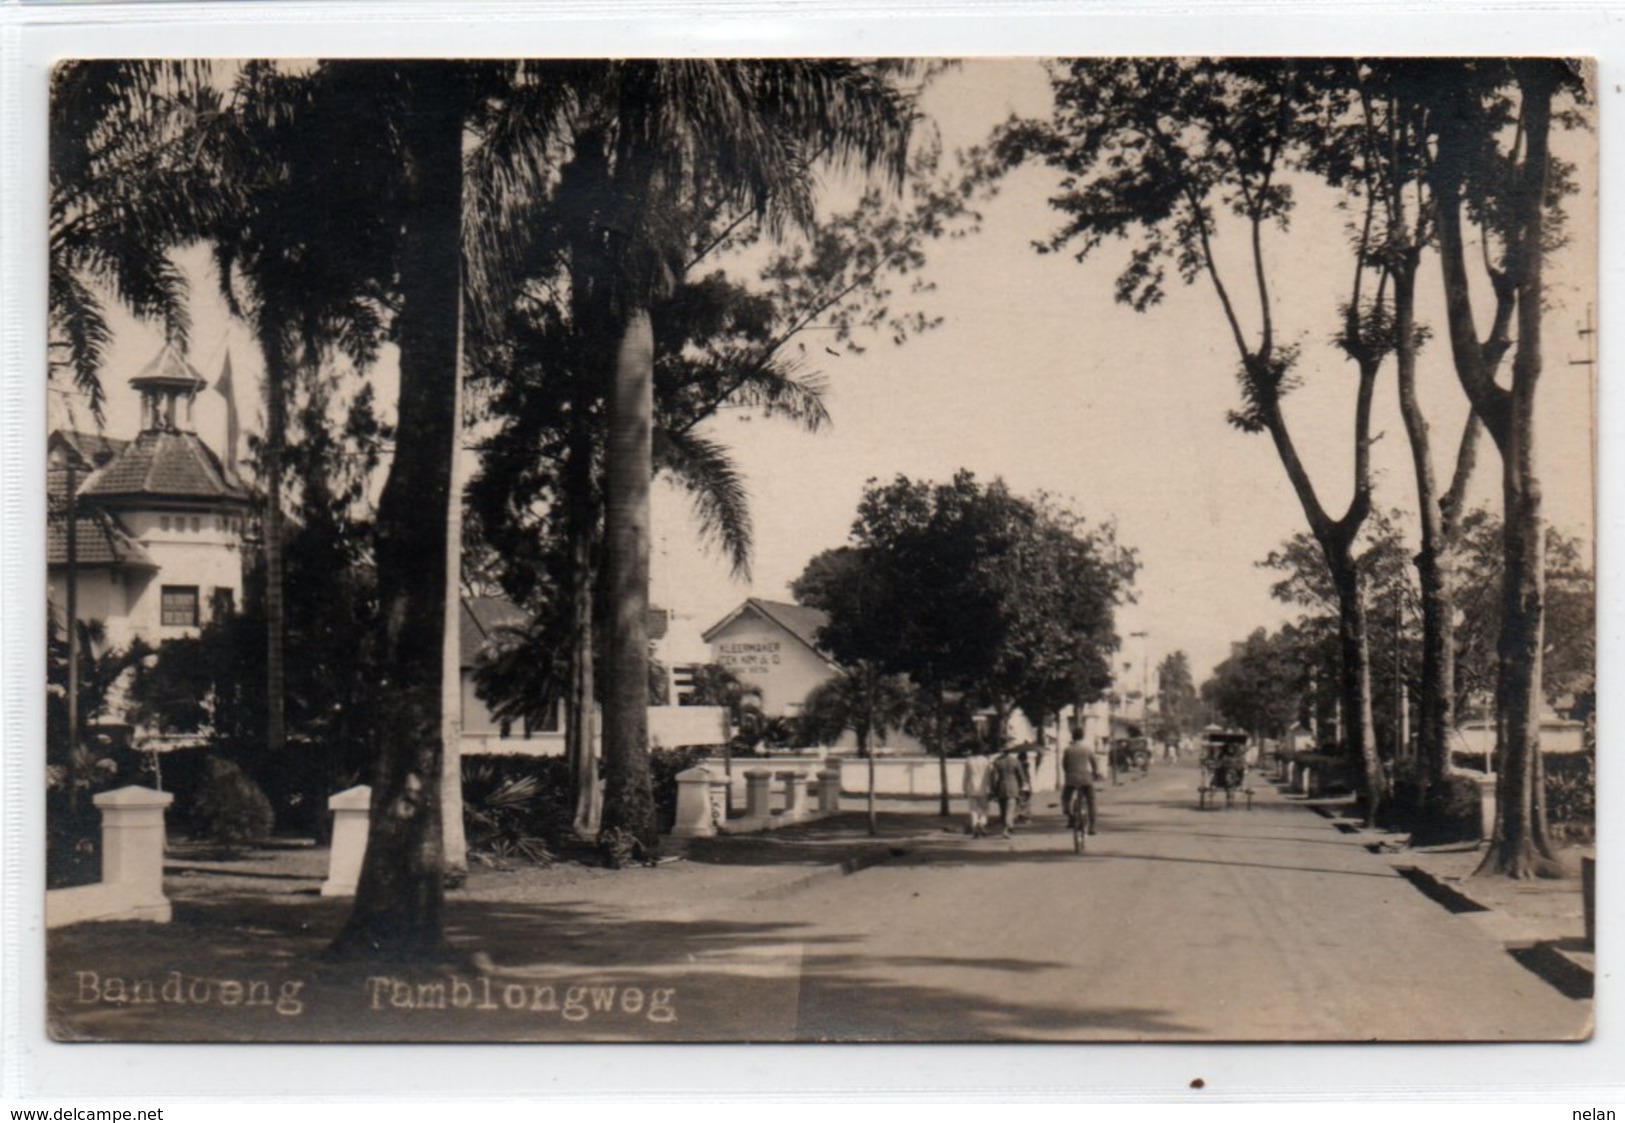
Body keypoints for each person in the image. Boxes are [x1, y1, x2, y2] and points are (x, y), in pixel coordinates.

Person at [1062, 726, 1101, 834]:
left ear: (1072, 737)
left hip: (1071, 779)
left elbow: (1064, 765)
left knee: (1066, 798)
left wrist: (1069, 773)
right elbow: (1094, 763)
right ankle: (1092, 827)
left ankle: (1070, 818)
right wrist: (1095, 773)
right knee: (1091, 801)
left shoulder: (1068, 750)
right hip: (1085, 779)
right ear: (1082, 736)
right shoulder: (1086, 749)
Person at [990, 742, 1026, 838]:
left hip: (1001, 787)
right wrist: (1021, 786)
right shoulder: (1015, 761)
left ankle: (1006, 827)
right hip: (1013, 787)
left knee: (1002, 810)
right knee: (1010, 809)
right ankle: (1007, 828)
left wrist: (993, 788)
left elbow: (994, 777)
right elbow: (1021, 776)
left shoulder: (997, 762)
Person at [961, 743, 993, 838]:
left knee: (973, 809)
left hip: (971, 787)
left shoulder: (969, 761)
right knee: (985, 808)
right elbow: (990, 775)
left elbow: (966, 776)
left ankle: (975, 825)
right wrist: (991, 787)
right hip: (984, 788)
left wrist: (964, 788)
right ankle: (982, 823)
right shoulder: (986, 761)